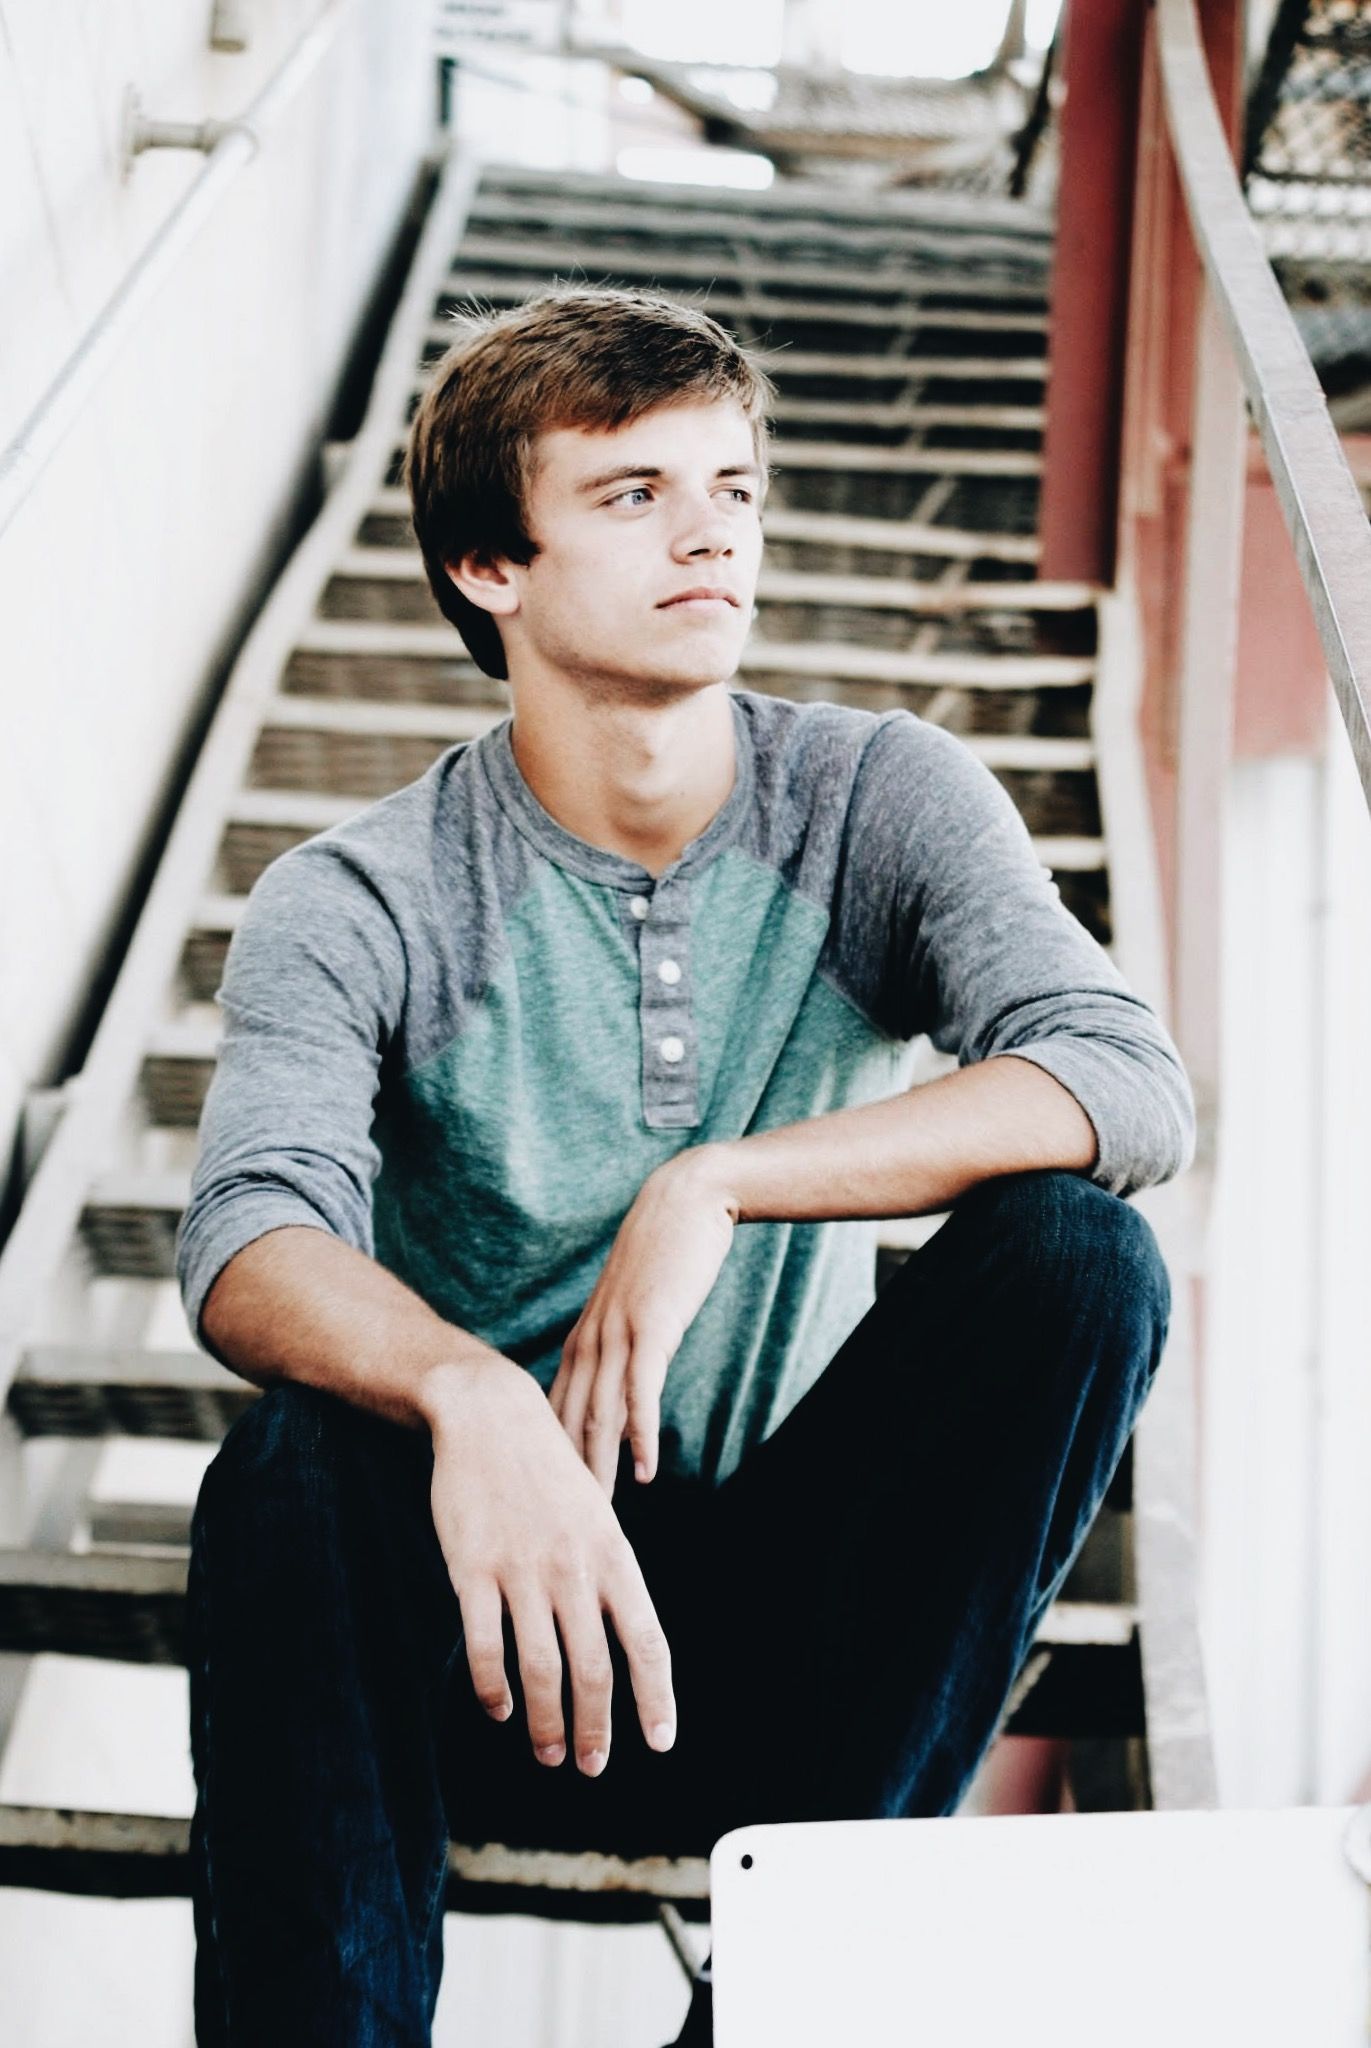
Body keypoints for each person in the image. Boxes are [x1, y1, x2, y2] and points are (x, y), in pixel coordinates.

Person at [179, 286, 1194, 2046]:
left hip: (787, 1664)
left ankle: (797, 1992)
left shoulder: (878, 797)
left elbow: (1125, 1084)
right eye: (635, 494)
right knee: (289, 1469)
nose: (713, 527)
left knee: (1075, 1260)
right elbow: (247, 1234)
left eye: (733, 482)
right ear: (491, 567)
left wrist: (717, 1180)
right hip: (479, 1642)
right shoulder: (359, 895)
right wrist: (467, 1399)